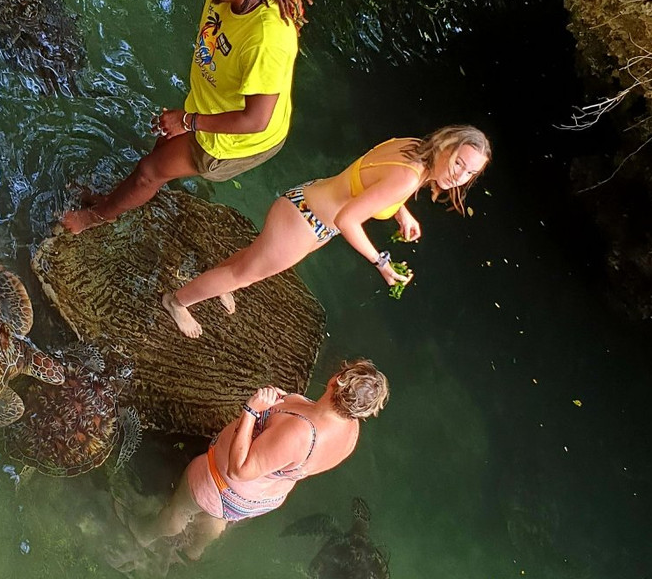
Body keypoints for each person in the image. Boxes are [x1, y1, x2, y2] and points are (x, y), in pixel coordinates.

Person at [61, 0, 312, 234]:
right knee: (160, 153)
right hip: (214, 104)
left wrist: (189, 121)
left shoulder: (268, 39)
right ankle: (115, 200)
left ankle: (94, 219)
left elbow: (255, 119)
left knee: (149, 172)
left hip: (238, 138)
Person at [162, 127, 491, 337]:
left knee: (248, 263)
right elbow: (349, 219)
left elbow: (374, 180)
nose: (459, 176)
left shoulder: (415, 150)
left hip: (304, 203)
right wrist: (381, 262)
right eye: (458, 162)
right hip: (305, 223)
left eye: (469, 173)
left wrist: (401, 213)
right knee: (244, 275)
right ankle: (177, 301)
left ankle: (218, 283)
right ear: (447, 146)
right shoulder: (408, 178)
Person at [129, 359, 389, 560]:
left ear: (336, 380)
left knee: (181, 510)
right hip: (257, 498)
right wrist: (283, 401)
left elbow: (239, 470)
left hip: (222, 483)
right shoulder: (350, 430)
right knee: (216, 516)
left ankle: (142, 535)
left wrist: (252, 411)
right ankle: (193, 553)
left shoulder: (301, 434)